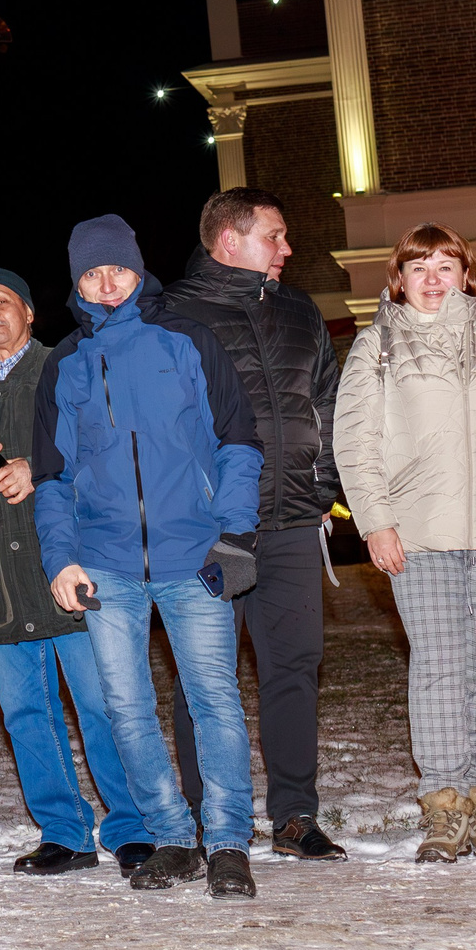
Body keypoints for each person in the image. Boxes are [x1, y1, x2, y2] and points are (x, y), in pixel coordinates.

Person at [34, 216, 264, 900]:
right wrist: (60, 558)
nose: (106, 283)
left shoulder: (187, 339)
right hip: (104, 562)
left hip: (195, 555)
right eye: (91, 274)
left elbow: (238, 441)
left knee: (213, 699)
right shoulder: (66, 362)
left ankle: (226, 842)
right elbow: (52, 475)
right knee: (122, 705)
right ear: (76, 282)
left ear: (139, 269)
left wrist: (234, 534)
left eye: (117, 269)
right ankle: (170, 835)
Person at [0, 266, 151, 878]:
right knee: (28, 716)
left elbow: (107, 447)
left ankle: (134, 828)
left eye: (3, 302)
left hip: (70, 565)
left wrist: (39, 469)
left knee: (103, 705)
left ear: (29, 312)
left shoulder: (68, 364)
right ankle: (65, 834)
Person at [335, 224, 476, 862]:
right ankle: (444, 804)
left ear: (466, 274)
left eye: (446, 265)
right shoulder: (375, 346)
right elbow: (356, 443)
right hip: (419, 534)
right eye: (419, 266)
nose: (434, 278)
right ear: (397, 279)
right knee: (438, 669)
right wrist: (375, 521)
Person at [157, 186, 346, 861]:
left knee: (295, 666)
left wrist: (321, 487)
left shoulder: (298, 309)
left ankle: (295, 814)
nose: (289, 248)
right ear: (229, 239)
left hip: (294, 521)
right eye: (277, 235)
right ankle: (207, 816)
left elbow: (327, 402)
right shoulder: (172, 314)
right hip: (208, 531)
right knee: (202, 675)